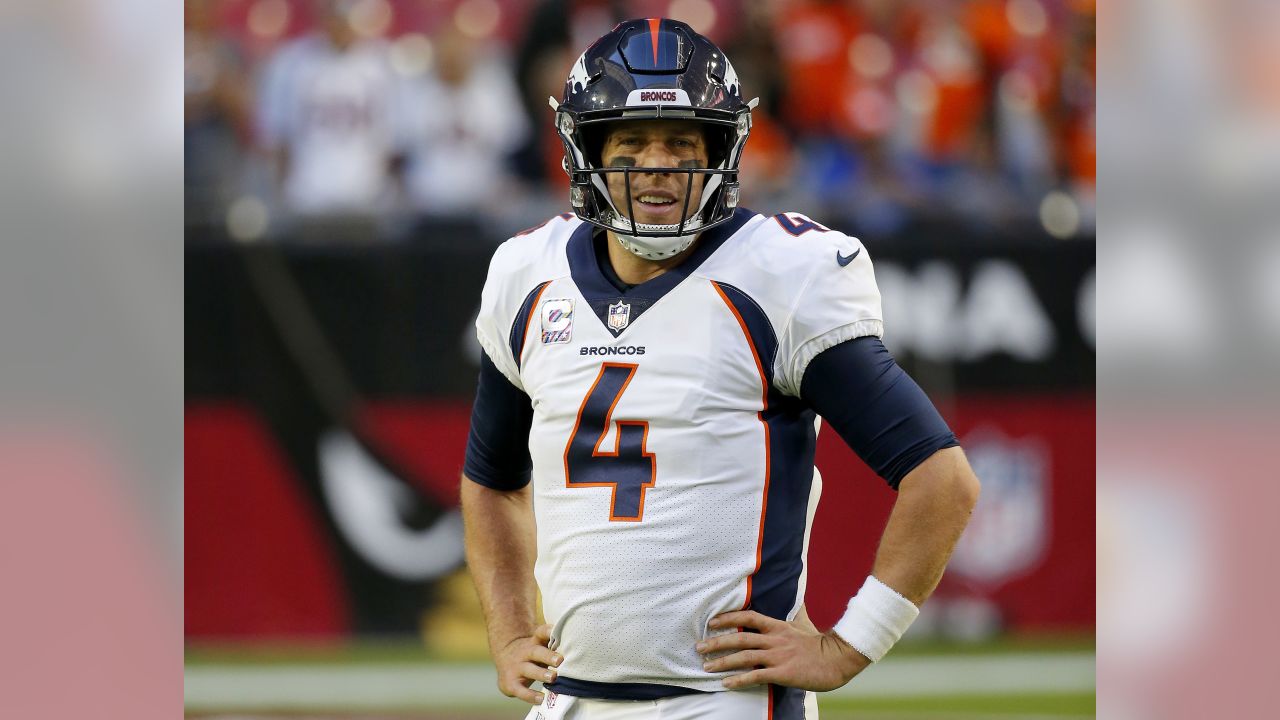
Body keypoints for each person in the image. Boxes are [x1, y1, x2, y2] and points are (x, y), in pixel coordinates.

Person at [461, 18, 980, 720]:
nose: (658, 165)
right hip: (570, 701)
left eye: (682, 142)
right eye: (632, 142)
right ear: (587, 152)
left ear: (723, 149)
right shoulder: (528, 274)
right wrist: (509, 627)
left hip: (722, 703)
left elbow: (941, 479)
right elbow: (491, 483)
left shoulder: (779, 274)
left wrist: (848, 645)